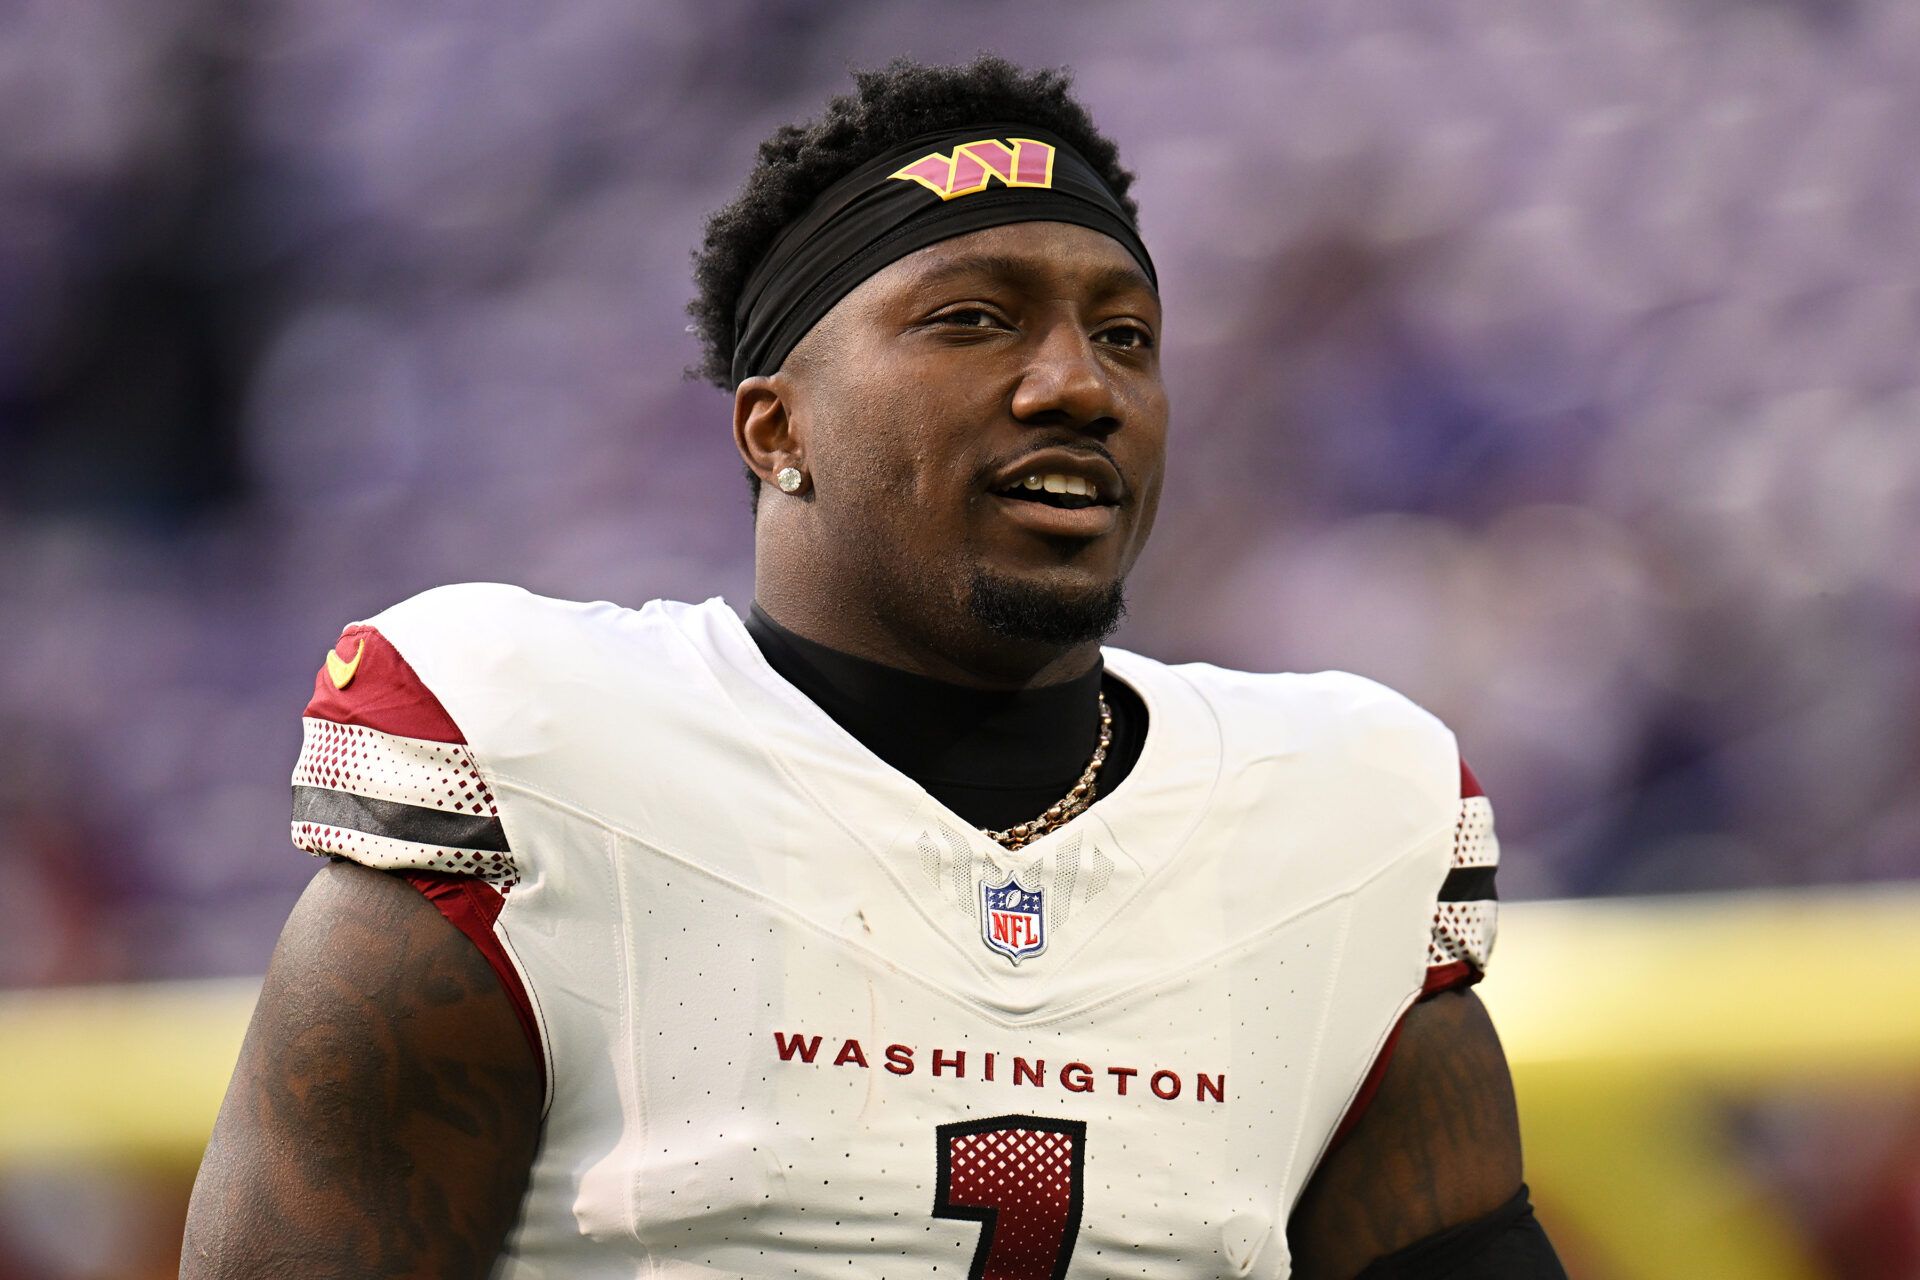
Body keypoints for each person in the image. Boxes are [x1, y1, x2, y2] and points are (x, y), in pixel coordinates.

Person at [181, 55, 1564, 1279]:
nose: (1079, 384)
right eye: (974, 319)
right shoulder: (551, 771)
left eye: (1125, 335)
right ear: (775, 430)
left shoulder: (1331, 824)